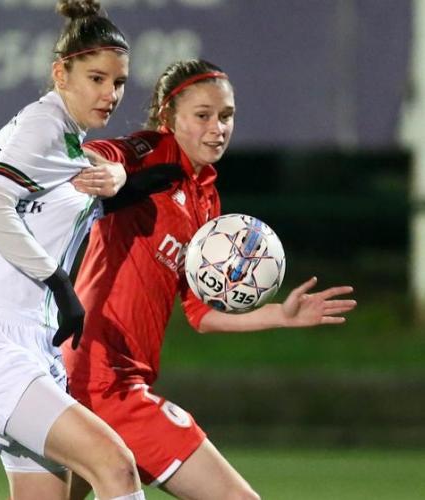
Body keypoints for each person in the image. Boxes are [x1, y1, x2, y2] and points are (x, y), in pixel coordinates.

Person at [62, 59, 358, 499]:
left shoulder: (206, 198)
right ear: (169, 117)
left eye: (226, 116)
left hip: (110, 376)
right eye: (203, 115)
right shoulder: (152, 152)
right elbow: (90, 155)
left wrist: (279, 314)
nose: (217, 128)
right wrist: (113, 171)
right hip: (103, 377)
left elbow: (199, 313)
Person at [0, 1, 148, 499]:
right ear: (61, 73)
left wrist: (126, 176)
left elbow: (105, 184)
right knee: (115, 467)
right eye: (96, 78)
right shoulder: (43, 126)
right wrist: (60, 283)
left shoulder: (69, 144)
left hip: (32, 345)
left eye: (118, 82)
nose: (110, 94)